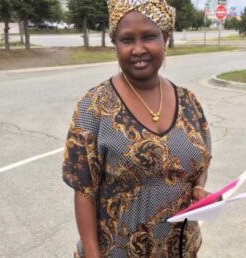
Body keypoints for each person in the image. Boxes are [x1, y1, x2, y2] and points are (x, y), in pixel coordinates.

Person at [62, 0, 212, 257]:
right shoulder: (94, 107)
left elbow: (200, 164)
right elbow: (84, 192)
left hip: (180, 249)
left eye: (149, 37)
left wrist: (199, 190)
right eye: (127, 40)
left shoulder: (189, 102)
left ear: (165, 38)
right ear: (115, 44)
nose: (138, 49)